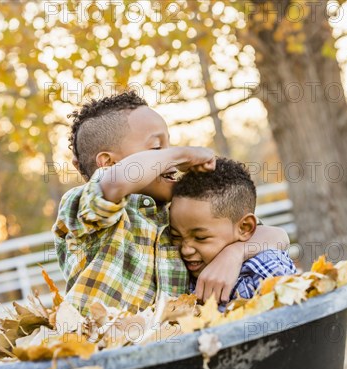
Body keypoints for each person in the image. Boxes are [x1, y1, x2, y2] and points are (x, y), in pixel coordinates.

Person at [53, 91, 289, 314]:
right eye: (157, 148)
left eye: (169, 147)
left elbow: (275, 236)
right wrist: (183, 153)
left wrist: (235, 252)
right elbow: (116, 183)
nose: (170, 159)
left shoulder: (176, 212)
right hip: (102, 347)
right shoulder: (86, 207)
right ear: (108, 163)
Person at [170, 157, 296, 307]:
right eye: (176, 236)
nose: (185, 249)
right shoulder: (186, 271)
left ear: (244, 228)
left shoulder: (265, 269)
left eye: (200, 237)